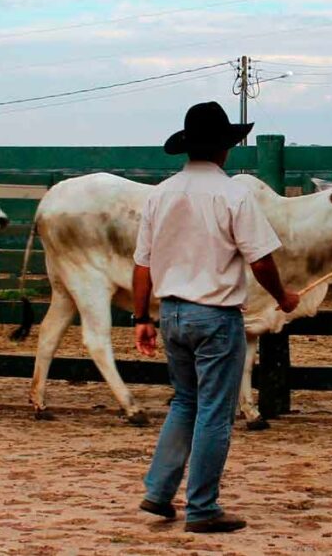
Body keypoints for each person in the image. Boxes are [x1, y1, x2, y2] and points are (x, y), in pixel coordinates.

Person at [132, 101, 300, 533]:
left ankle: (159, 491)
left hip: (171, 313)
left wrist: (140, 318)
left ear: (187, 148)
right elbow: (260, 259)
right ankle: (203, 507)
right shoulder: (233, 194)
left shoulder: (161, 194)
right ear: (225, 149)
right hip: (215, 315)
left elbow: (143, 265)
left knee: (185, 401)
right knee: (214, 411)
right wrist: (282, 296)